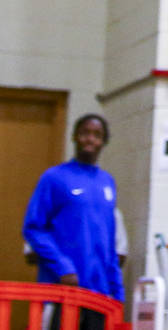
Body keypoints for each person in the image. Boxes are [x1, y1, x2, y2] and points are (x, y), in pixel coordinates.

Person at [22, 113, 123, 314]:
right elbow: (34, 229)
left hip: (99, 295)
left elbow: (109, 241)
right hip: (62, 288)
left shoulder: (107, 182)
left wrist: (117, 292)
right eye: (85, 133)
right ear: (75, 136)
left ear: (104, 141)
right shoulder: (54, 177)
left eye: (97, 134)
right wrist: (64, 267)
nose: (90, 139)